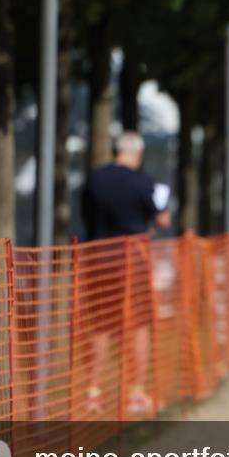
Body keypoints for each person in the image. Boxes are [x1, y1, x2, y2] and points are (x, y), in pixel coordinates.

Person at [82, 131, 171, 415]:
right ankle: (136, 392)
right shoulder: (142, 181)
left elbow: (86, 215)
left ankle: (93, 392)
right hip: (132, 259)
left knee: (101, 325)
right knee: (139, 325)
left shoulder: (94, 178)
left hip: (98, 259)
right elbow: (163, 220)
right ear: (138, 153)